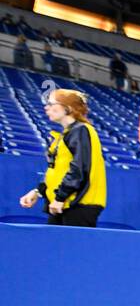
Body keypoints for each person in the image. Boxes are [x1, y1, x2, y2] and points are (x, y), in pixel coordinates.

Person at [18, 88, 106, 226]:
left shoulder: (81, 130)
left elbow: (79, 168)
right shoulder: (69, 133)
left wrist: (60, 197)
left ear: (68, 108)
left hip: (77, 203)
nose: (47, 108)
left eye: (52, 104)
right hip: (65, 202)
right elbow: (58, 170)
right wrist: (38, 191)